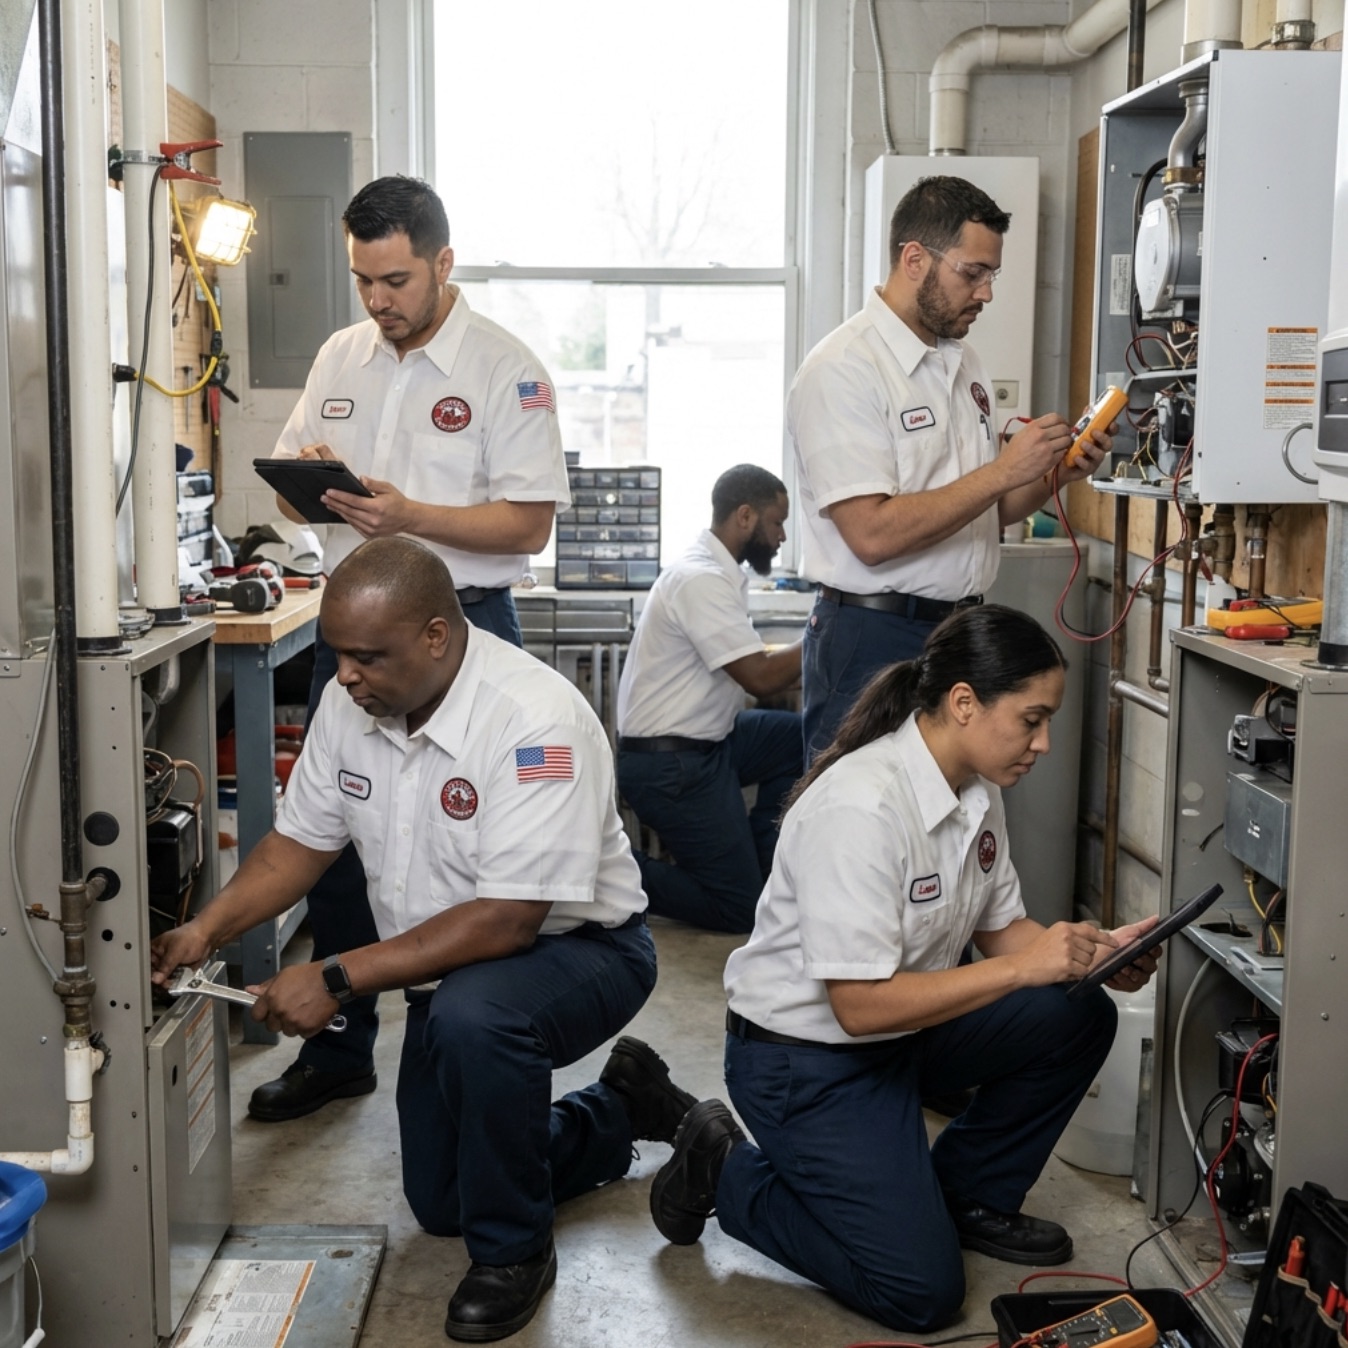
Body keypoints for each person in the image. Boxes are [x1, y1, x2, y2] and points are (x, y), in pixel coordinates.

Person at [153, 538, 695, 1343]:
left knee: (478, 1020)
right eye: (339, 654)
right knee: (442, 1200)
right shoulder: (352, 704)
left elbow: (507, 922)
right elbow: (298, 845)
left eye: (368, 656)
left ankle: (516, 1253)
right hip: (449, 973)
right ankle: (621, 1107)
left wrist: (334, 978)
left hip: (586, 953)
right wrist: (205, 928)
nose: (344, 676)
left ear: (438, 636)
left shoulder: (534, 721)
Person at [646, 604, 1162, 1333]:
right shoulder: (861, 806)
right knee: (919, 1291)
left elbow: (1003, 931)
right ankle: (722, 1166)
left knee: (1076, 1011)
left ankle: (962, 1195)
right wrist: (1025, 970)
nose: (1044, 743)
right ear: (962, 703)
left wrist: (1089, 955)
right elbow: (858, 1006)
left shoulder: (977, 794)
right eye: (1031, 719)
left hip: (901, 1036)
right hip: (806, 1063)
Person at [255, 175, 571, 1122]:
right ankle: (343, 1046)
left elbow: (528, 526)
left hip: (466, 631)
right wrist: (311, 493)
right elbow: (287, 483)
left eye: (395, 280)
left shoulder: (506, 370)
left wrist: (408, 514)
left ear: (442, 262)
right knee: (342, 841)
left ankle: (459, 1033)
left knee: (466, 846)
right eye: (363, 281)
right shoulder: (342, 356)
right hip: (349, 639)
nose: (379, 301)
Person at [791, 175, 1112, 762]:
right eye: (973, 272)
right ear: (914, 259)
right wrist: (1001, 470)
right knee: (862, 822)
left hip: (959, 632)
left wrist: (1053, 473)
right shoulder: (843, 369)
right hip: (873, 636)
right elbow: (871, 534)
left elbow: (986, 512)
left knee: (950, 818)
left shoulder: (963, 365)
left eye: (992, 275)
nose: (986, 293)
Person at [615, 465, 803, 934]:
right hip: (671, 766)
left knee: (802, 739)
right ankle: (605, 870)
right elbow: (760, 677)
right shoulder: (700, 579)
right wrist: (826, 632)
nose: (781, 537)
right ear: (745, 516)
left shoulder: (718, 573)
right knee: (738, 910)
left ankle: (762, 865)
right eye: (777, 523)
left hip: (709, 743)